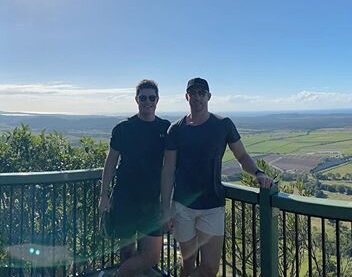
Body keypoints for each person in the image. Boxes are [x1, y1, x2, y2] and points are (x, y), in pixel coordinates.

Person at [161, 77, 273, 277]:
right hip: (182, 207)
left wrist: (258, 173)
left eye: (201, 93)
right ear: (186, 97)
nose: (197, 97)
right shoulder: (176, 129)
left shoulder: (223, 125)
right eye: (193, 93)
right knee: (188, 266)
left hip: (212, 206)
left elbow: (242, 156)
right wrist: (166, 207)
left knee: (210, 268)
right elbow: (168, 170)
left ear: (209, 96)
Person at [99, 80, 171, 277]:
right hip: (125, 199)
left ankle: (117, 275)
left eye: (151, 98)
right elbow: (110, 163)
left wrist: (167, 204)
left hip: (152, 201)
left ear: (157, 100)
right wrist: (103, 195)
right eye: (143, 98)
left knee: (151, 256)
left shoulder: (165, 128)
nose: (147, 102)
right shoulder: (123, 129)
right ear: (136, 100)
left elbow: (171, 165)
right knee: (127, 253)